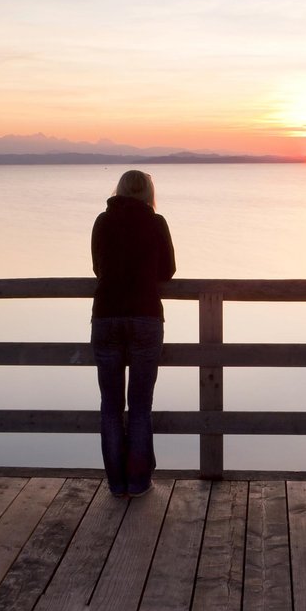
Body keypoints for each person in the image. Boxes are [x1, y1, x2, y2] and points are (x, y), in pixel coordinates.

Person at [91, 169, 175, 496]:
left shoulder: (103, 221)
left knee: (110, 405)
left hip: (107, 316)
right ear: (148, 193)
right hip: (145, 318)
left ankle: (116, 483)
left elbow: (99, 267)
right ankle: (139, 482)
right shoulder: (156, 223)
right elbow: (167, 271)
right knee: (140, 405)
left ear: (119, 190)